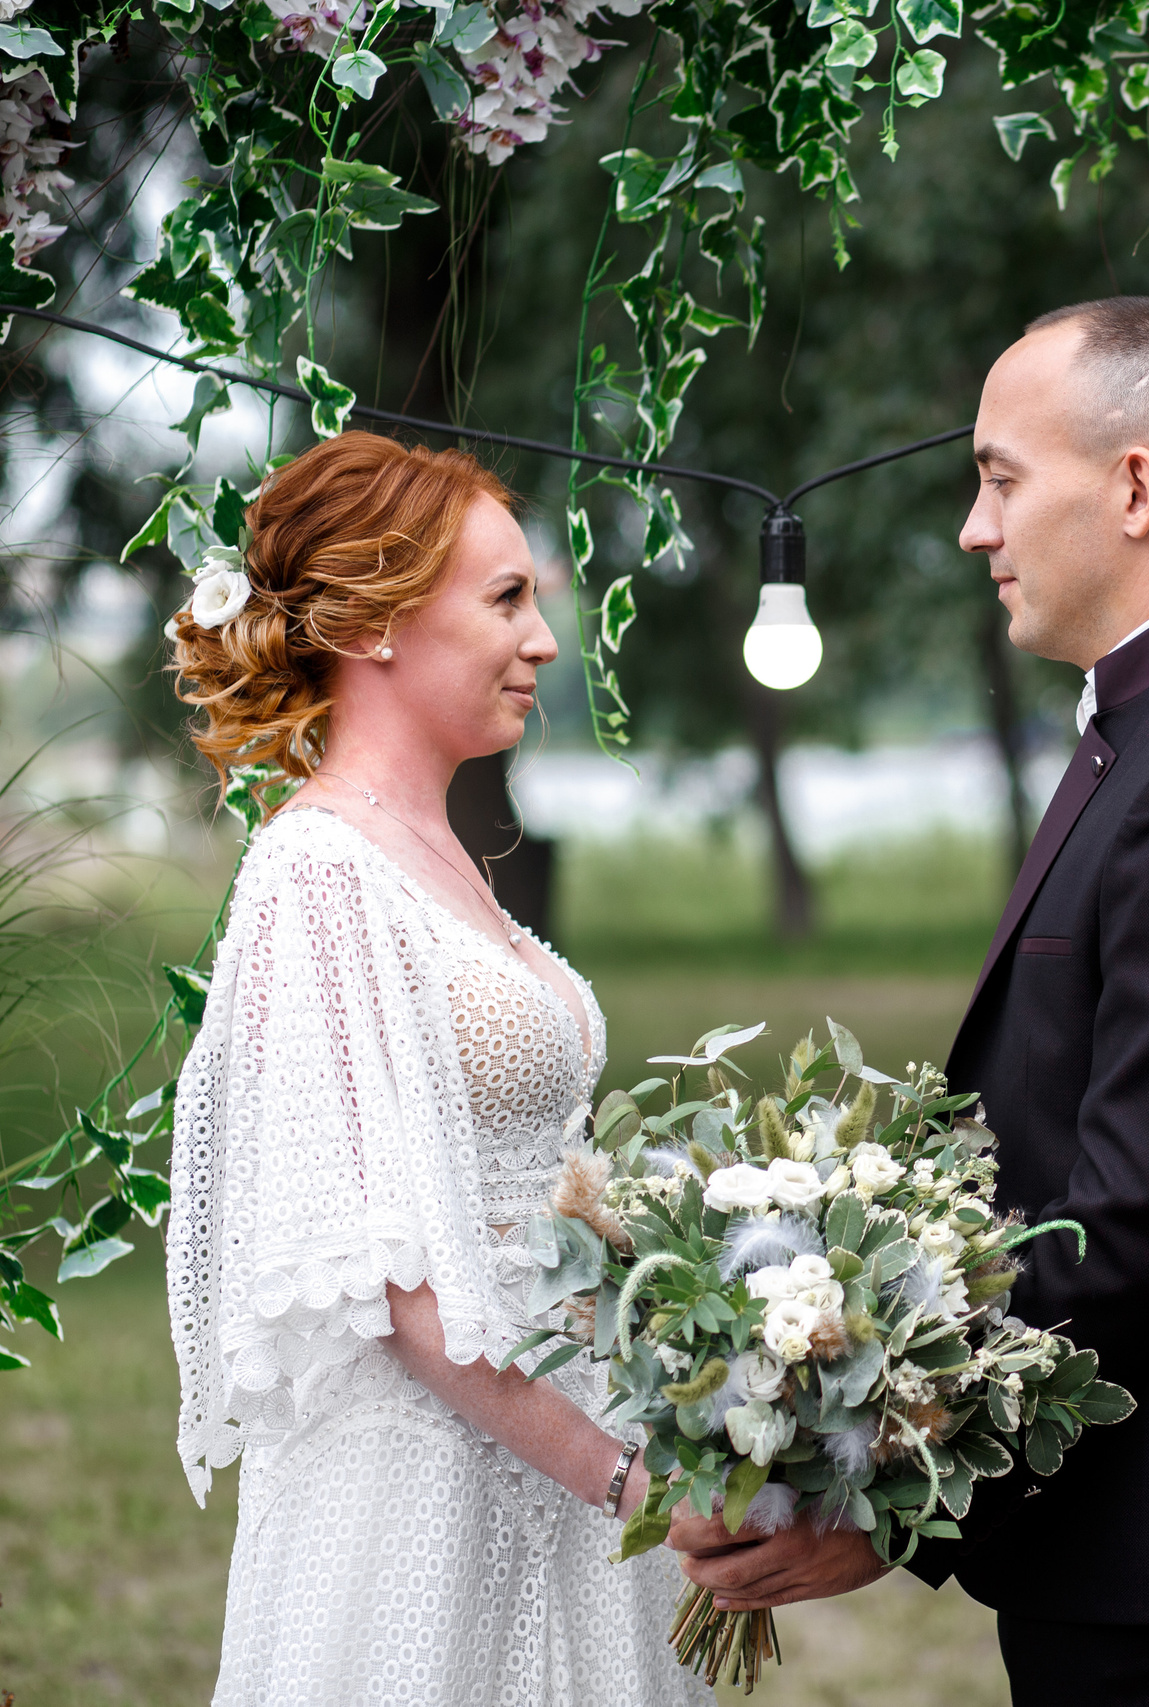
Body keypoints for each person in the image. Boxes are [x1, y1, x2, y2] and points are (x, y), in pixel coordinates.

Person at [667, 297, 1149, 1703]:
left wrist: (896, 1487)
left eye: (1000, 478)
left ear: (1136, 488)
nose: (974, 529)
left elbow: (1136, 1216)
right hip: (1136, 1520)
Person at [163, 431, 711, 1707]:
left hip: (564, 1438)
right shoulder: (315, 874)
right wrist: (627, 1481)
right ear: (374, 623)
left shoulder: (435, 852)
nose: (544, 642)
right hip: (429, 1487)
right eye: (506, 598)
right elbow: (396, 1282)